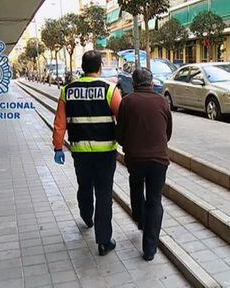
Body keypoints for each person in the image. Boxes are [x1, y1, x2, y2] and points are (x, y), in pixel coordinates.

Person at [52, 50, 122, 256]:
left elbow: (59, 122)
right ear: (100, 66)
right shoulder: (110, 89)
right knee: (104, 193)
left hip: (80, 152)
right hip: (105, 152)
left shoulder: (68, 90)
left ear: (83, 67)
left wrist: (58, 147)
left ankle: (86, 216)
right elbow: (123, 116)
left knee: (84, 186)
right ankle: (103, 241)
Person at [116, 68, 172, 261]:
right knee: (155, 200)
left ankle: (139, 219)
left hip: (136, 159)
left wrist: (130, 146)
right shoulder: (162, 101)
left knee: (136, 186)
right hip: (159, 159)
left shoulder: (127, 102)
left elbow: (120, 133)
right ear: (151, 82)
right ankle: (149, 248)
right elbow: (168, 132)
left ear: (133, 83)